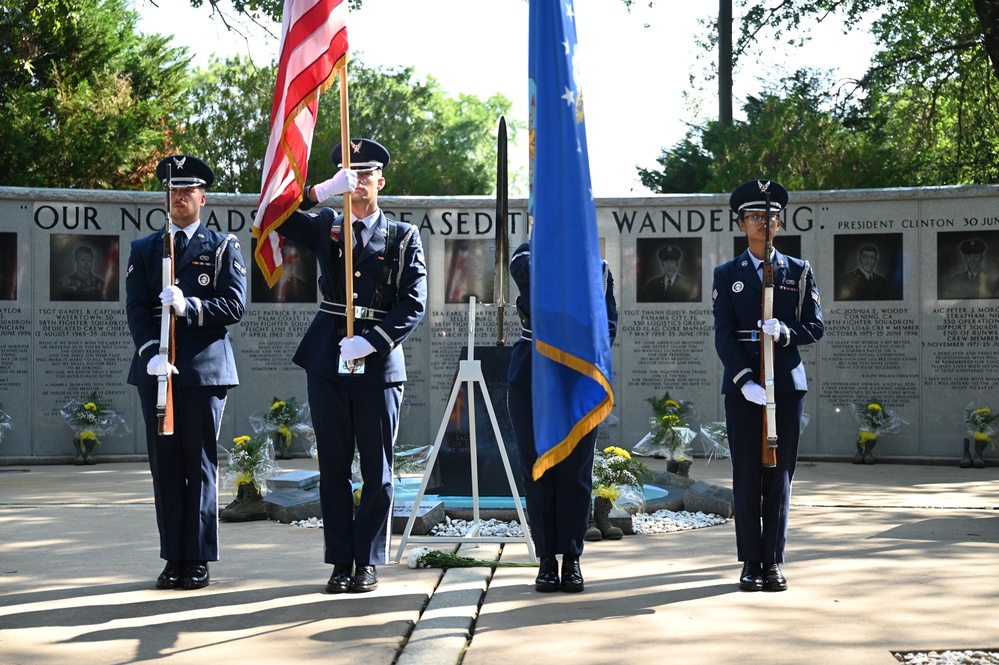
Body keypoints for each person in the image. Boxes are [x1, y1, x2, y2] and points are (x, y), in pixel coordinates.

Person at [273, 138, 427, 594]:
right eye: (349, 174)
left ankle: (368, 560)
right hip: (327, 358)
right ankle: (341, 562)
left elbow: (414, 301)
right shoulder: (325, 224)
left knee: (377, 471)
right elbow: (269, 217)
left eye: (365, 175)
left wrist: (373, 341)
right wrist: (317, 192)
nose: (358, 182)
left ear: (381, 181)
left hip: (378, 363)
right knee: (334, 467)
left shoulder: (403, 236)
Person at [125, 154, 246, 591]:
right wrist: (148, 353)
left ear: (202, 197)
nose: (180, 196)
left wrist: (190, 306)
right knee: (166, 468)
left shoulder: (220, 247)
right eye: (173, 190)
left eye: (188, 190)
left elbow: (234, 305)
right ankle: (172, 556)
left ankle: (196, 558)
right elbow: (136, 311)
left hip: (202, 373)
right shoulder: (145, 249)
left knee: (198, 465)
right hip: (157, 372)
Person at [711, 179, 823, 592]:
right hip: (746, 389)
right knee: (746, 475)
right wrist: (743, 382)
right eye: (756, 216)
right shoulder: (727, 275)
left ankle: (773, 561)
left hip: (787, 385)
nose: (765, 222)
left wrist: (787, 333)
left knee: (780, 476)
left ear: (780, 221)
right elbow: (723, 334)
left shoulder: (798, 270)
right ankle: (750, 562)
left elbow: (816, 326)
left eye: (771, 215)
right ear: (741, 223)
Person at [507, 240, 618, 593]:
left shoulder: (598, 268)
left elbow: (609, 324)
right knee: (538, 468)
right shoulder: (526, 256)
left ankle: (571, 558)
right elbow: (528, 279)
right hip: (532, 376)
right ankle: (545, 560)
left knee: (576, 471)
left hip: (579, 380)